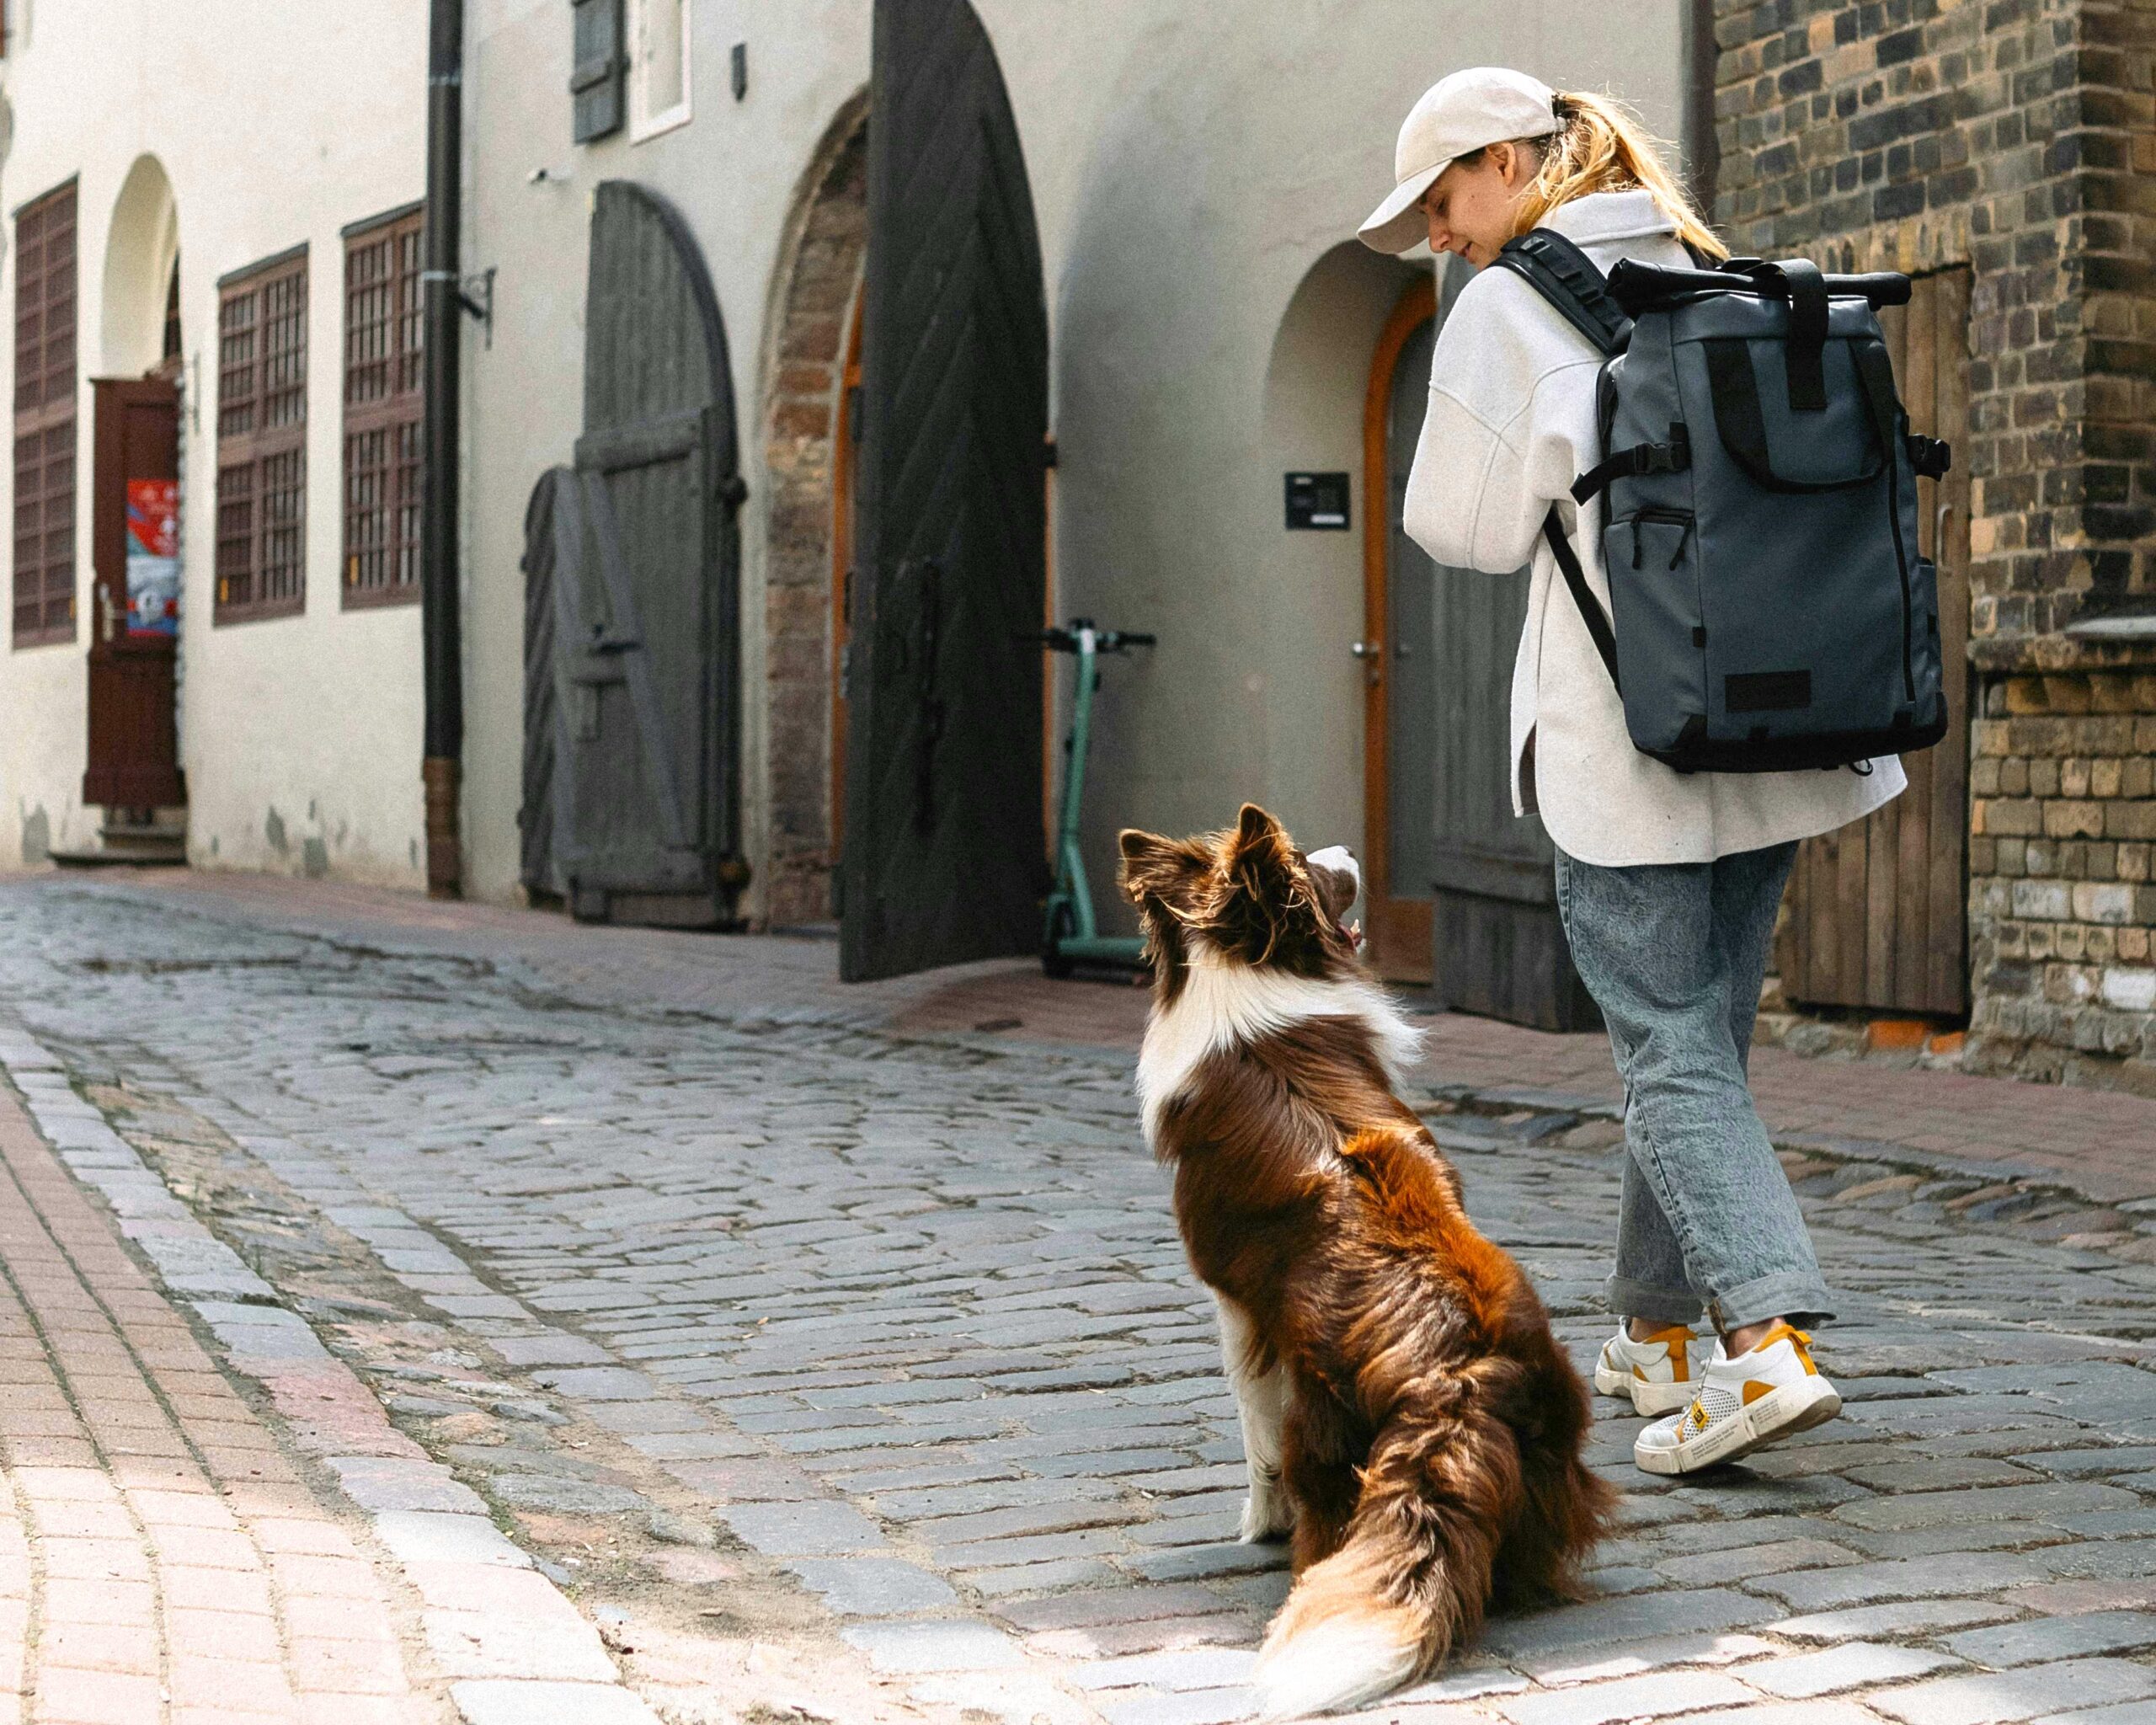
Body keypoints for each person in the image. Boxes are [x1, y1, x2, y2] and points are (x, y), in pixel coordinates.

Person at [1358, 67, 1903, 1476]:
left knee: (1666, 1047)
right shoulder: (1715, 270)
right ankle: (1654, 1336)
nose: (1436, 235)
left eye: (1440, 199)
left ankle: (1766, 1341)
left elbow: (1458, 532)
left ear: (1505, 162)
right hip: (1781, 739)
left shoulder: (1506, 308)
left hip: (1632, 747)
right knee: (1700, 1045)